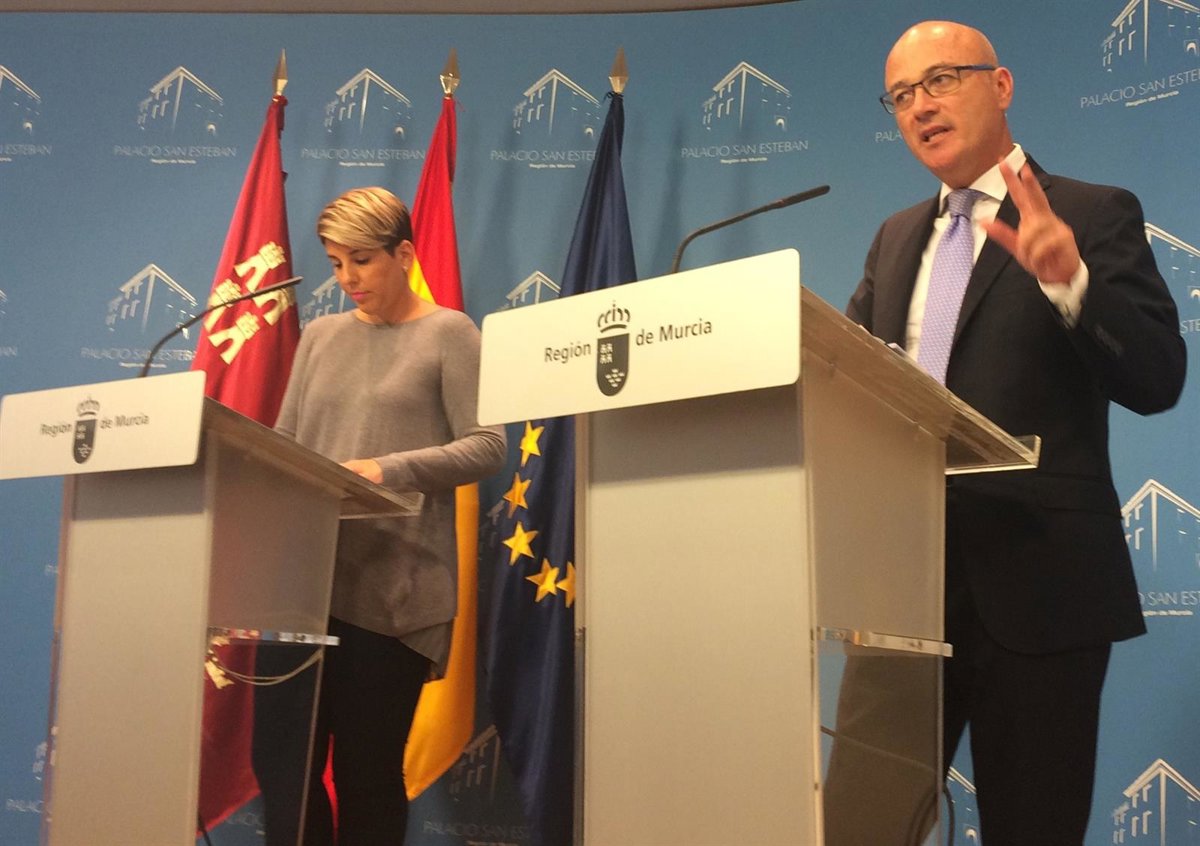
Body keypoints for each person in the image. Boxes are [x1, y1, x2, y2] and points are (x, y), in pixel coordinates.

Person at [828, 20, 1186, 846]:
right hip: (901, 590)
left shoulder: (1091, 213)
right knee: (854, 827)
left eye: (941, 80)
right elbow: (851, 380)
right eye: (902, 95)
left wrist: (1073, 284)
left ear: (1001, 85)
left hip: (1040, 590)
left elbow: (1157, 377)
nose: (921, 106)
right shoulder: (894, 237)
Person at [254, 186, 506, 846]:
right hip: (301, 585)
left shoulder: (450, 333)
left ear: (405, 254)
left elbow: (488, 445)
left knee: (366, 774)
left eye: (361, 260)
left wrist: (385, 469)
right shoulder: (319, 336)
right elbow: (285, 441)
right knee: (282, 768)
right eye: (336, 263)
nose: (347, 279)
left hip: (393, 591)